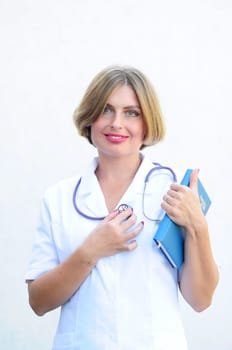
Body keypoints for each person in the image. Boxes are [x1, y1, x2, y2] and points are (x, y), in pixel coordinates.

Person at [25, 65, 219, 350]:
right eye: (106, 110)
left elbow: (201, 300)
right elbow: (39, 302)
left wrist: (197, 227)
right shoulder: (58, 198)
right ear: (89, 118)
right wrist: (90, 251)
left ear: (147, 123)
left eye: (132, 112)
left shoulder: (175, 192)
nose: (116, 123)